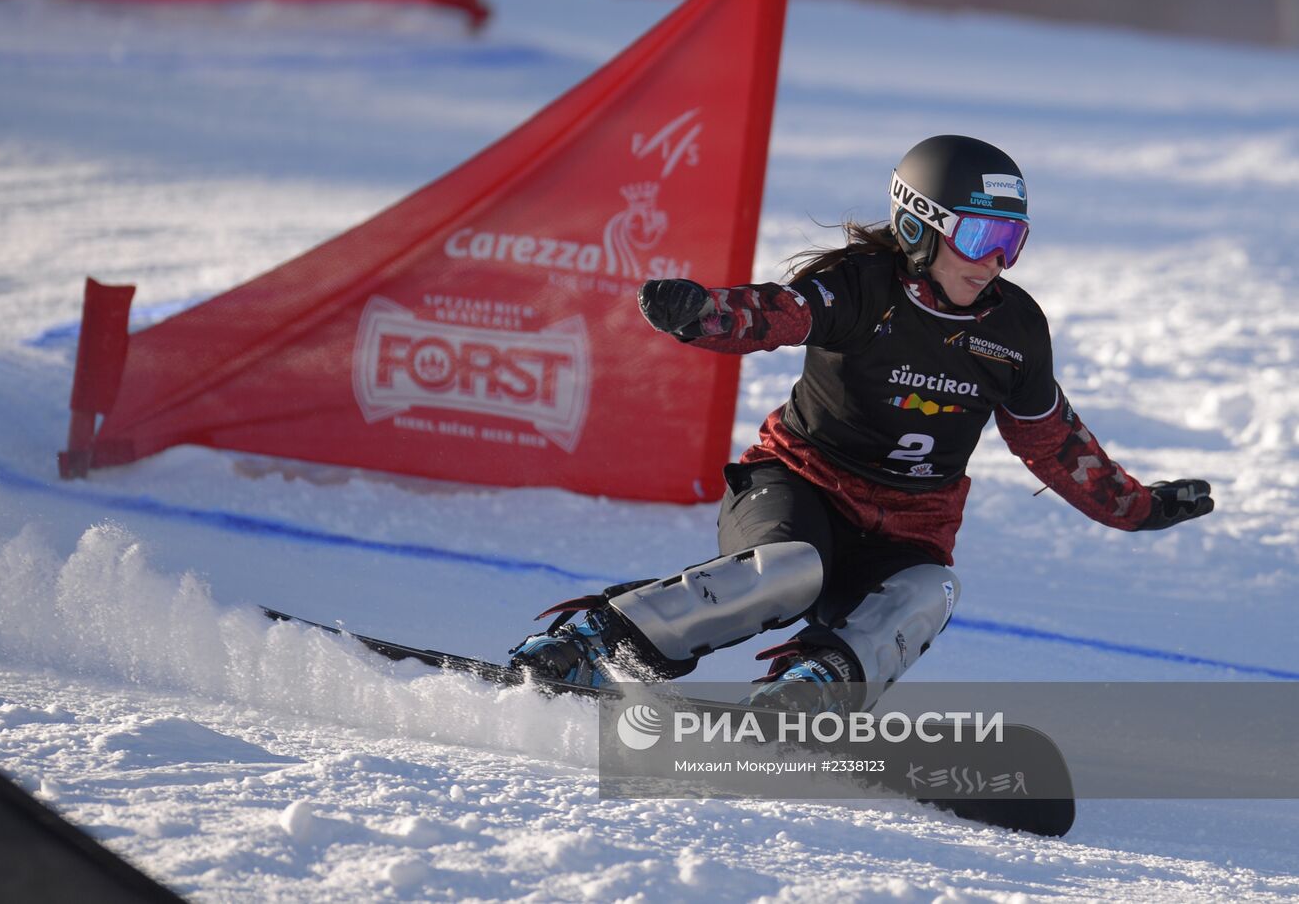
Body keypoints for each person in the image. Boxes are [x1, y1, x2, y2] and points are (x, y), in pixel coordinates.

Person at [509, 134, 1214, 708]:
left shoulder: (1016, 329)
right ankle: (600, 641)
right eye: (979, 235)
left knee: (931, 590)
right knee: (791, 572)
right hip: (800, 486)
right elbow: (778, 314)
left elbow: (1052, 441)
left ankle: (812, 693)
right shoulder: (864, 289)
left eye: (1012, 240)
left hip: (910, 524)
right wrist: (705, 315)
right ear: (919, 226)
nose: (995, 260)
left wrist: (1139, 509)